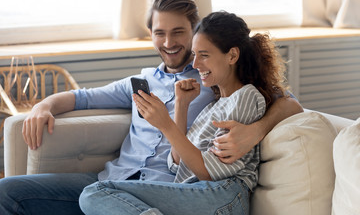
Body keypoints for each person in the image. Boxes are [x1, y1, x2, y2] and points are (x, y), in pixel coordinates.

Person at [0, 0, 302, 215]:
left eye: (178, 33)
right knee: (7, 193)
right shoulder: (145, 81)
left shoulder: (215, 79)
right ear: (151, 35)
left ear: (194, 32)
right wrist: (43, 106)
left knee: (95, 196)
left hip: (167, 190)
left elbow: (288, 103)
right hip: (115, 180)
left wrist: (257, 131)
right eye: (160, 33)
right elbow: (83, 97)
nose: (169, 42)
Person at [79, 11, 288, 215]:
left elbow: (209, 173)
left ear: (232, 55)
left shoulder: (245, 97)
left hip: (224, 196)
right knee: (99, 195)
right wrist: (181, 105)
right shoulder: (211, 107)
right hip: (195, 191)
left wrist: (164, 124)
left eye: (204, 55)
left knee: (96, 193)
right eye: (195, 55)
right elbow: (177, 163)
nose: (196, 65)